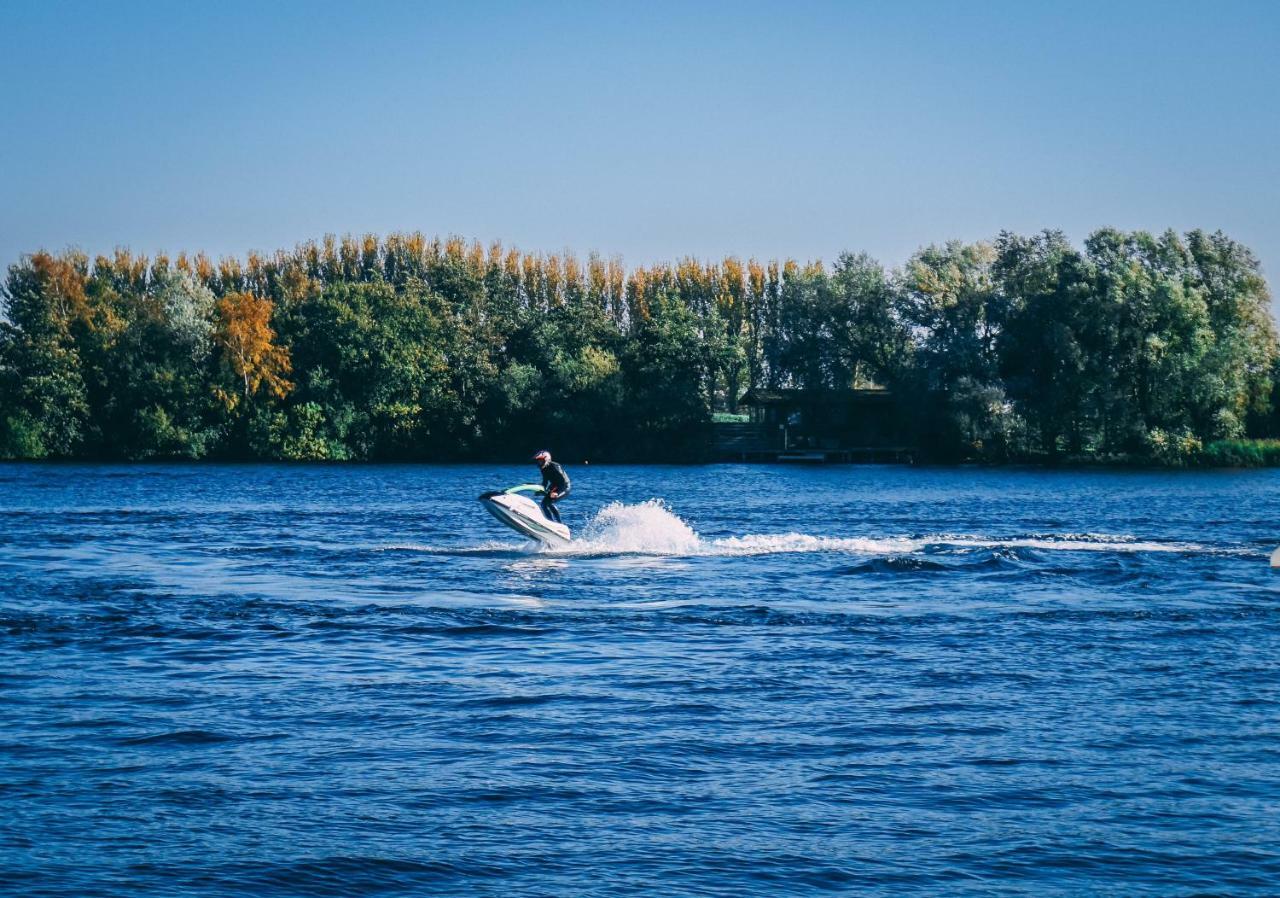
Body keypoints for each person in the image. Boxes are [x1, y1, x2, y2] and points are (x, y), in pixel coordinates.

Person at [533, 450, 570, 523]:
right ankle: (550, 522)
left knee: (550, 503)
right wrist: (540, 491)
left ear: (546, 459)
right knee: (544, 504)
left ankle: (559, 523)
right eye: (538, 461)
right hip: (555, 487)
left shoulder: (555, 466)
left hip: (564, 487)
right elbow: (545, 482)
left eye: (541, 460)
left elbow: (564, 481)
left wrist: (557, 492)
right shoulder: (543, 469)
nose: (539, 463)